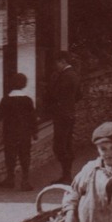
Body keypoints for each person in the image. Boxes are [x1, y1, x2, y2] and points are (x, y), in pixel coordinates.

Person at [41, 52, 81, 183]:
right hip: (69, 113)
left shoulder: (66, 76)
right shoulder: (74, 75)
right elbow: (80, 95)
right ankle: (67, 174)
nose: (55, 66)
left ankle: (66, 175)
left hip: (62, 114)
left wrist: (49, 87)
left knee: (59, 146)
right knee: (66, 144)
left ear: (62, 61)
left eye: (56, 63)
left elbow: (55, 94)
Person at [0, 72, 36, 190]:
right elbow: (32, 118)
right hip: (24, 134)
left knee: (10, 156)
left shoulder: (6, 100)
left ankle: (10, 179)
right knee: (25, 156)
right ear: (24, 84)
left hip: (10, 134)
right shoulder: (28, 100)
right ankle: (25, 181)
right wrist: (35, 132)